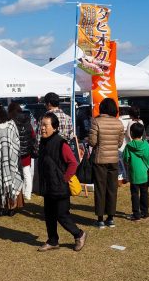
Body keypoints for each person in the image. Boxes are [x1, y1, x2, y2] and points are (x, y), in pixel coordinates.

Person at [37, 112, 86, 252]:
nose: (42, 128)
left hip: (60, 187)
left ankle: (79, 234)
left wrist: (64, 179)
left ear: (55, 127)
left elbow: (73, 163)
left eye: (46, 125)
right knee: (49, 214)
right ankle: (52, 241)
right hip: (48, 186)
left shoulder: (60, 143)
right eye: (42, 125)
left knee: (62, 215)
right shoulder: (43, 142)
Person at [88, 98, 124, 228]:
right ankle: (111, 217)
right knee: (112, 188)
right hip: (114, 159)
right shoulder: (119, 123)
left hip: (100, 159)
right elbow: (119, 143)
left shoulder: (96, 121)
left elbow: (92, 142)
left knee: (100, 189)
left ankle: (100, 219)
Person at [0, 105, 24, 216]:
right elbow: (17, 140)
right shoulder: (11, 125)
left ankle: (0, 208)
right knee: (13, 180)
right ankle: (12, 207)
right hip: (12, 160)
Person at [123, 122, 149, 220]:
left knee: (134, 194)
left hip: (134, 173)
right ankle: (145, 212)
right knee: (144, 193)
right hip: (144, 173)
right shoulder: (146, 145)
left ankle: (136, 214)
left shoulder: (129, 146)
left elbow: (125, 158)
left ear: (131, 133)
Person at [8, 102, 36, 201]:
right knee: (27, 172)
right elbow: (33, 135)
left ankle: (19, 191)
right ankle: (27, 193)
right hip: (27, 151)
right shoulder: (27, 121)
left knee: (16, 172)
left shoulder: (10, 121)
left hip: (15, 151)